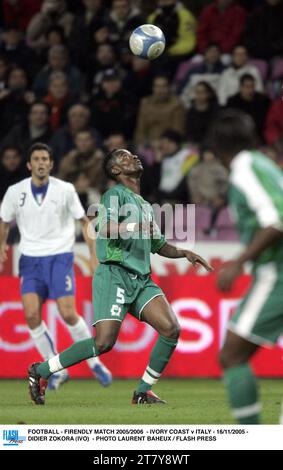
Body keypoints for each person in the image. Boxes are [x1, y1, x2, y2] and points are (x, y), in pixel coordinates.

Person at [26, 147, 212, 405]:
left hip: (141, 279)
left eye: (132, 155)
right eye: (124, 157)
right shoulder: (114, 195)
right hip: (115, 274)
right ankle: (41, 370)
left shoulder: (145, 205)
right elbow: (103, 227)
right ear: (116, 170)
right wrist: (134, 226)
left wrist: (184, 252)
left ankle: (143, 391)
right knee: (103, 343)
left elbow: (158, 245)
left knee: (171, 329)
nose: (133, 157)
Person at [0, 143, 112, 392]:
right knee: (30, 316)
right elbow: (4, 222)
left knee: (67, 312)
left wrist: (93, 255)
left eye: (45, 159)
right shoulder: (14, 192)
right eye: (36, 159)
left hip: (59, 257)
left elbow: (85, 222)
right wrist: (1, 247)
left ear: (51, 164)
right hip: (29, 259)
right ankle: (55, 370)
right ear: (29, 164)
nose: (40, 163)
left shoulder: (65, 190)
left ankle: (95, 364)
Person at [209, 109, 283, 424]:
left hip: (277, 272)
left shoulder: (244, 170)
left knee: (232, 355)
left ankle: (252, 438)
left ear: (216, 148)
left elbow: (275, 222)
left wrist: (238, 262)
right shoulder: (264, 164)